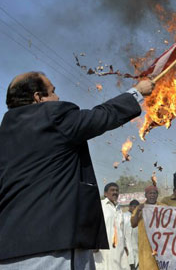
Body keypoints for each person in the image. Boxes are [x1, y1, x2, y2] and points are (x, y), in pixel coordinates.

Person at [0, 72, 154, 269]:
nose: (57, 97)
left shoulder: (5, 133)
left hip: (8, 251)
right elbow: (102, 115)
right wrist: (137, 92)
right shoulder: (52, 117)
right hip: (53, 247)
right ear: (38, 98)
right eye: (53, 92)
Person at [94, 183, 128, 270]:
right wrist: (94, 243)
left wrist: (125, 245)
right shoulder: (99, 205)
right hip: (103, 247)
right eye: (112, 190)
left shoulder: (119, 208)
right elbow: (93, 224)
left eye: (117, 190)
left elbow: (121, 229)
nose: (115, 192)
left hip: (119, 247)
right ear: (105, 193)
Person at [131, 185, 165, 270]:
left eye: (154, 193)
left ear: (157, 195)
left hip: (161, 245)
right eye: (150, 193)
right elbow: (133, 224)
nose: (152, 195)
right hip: (146, 247)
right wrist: (138, 211)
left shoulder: (163, 207)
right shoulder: (140, 208)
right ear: (145, 195)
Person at [123, 200, 139, 270]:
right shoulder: (124, 216)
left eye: (137, 208)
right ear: (129, 207)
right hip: (126, 248)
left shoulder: (138, 217)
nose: (135, 209)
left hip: (137, 250)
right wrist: (123, 246)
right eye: (134, 207)